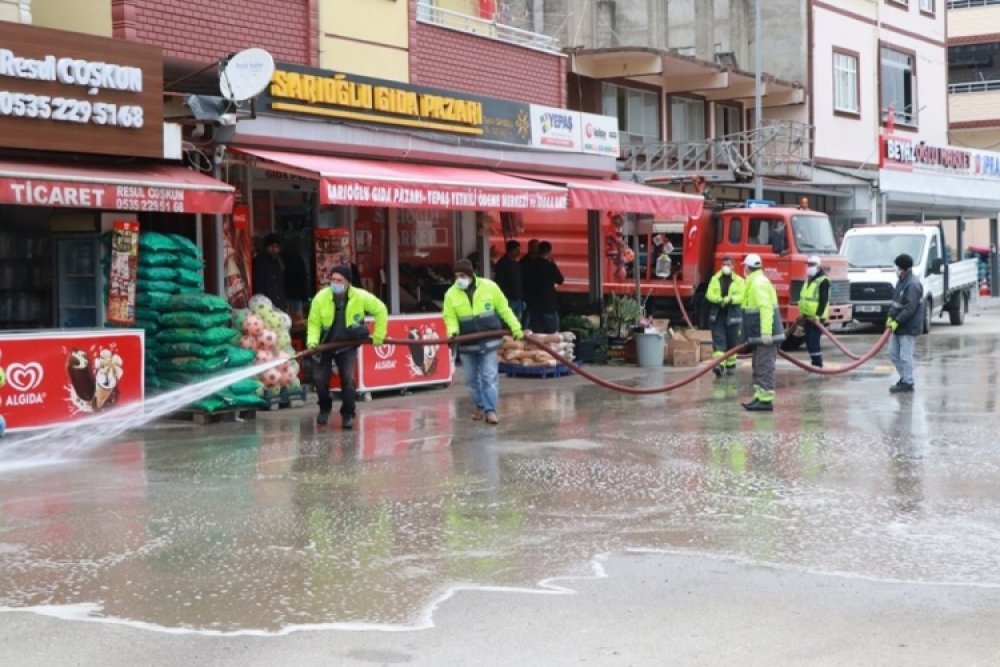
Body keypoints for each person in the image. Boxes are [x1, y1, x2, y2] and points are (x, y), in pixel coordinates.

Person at [443, 258, 524, 425]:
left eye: (463, 275)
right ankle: (480, 405)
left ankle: (490, 410)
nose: (460, 279)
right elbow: (449, 318)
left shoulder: (489, 288)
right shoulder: (451, 295)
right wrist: (452, 333)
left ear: (471, 274)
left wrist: (516, 327)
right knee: (471, 380)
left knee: (489, 376)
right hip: (467, 344)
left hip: (489, 342)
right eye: (457, 275)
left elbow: (504, 309)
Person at [306, 266, 388, 429]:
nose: (335, 283)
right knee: (320, 379)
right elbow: (314, 324)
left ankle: (348, 413)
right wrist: (312, 343)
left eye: (339, 280)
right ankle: (325, 406)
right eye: (333, 280)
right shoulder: (320, 298)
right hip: (325, 344)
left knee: (348, 380)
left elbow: (381, 309)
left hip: (347, 345)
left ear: (348, 283)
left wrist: (379, 335)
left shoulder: (360, 296)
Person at [740, 253, 784, 411]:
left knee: (764, 366)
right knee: (758, 365)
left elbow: (765, 308)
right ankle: (759, 397)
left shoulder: (758, 283)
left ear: (747, 267)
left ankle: (765, 401)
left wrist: (766, 333)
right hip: (759, 335)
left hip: (766, 336)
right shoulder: (754, 281)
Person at [886, 253, 924, 393]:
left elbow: (910, 308)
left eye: (897, 267)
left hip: (908, 326)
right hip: (898, 325)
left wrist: (897, 321)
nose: (895, 269)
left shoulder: (913, 284)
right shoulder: (901, 282)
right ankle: (904, 377)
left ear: (904, 269)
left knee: (905, 356)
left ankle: (908, 382)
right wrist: (890, 316)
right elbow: (896, 303)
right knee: (893, 354)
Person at [705, 255, 745, 377]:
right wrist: (718, 299)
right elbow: (709, 294)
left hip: (733, 315)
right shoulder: (715, 279)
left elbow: (742, 296)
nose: (725, 267)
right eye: (724, 264)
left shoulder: (739, 280)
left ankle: (731, 365)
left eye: (728, 264)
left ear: (733, 266)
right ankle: (719, 365)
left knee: (732, 341)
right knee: (719, 341)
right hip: (718, 315)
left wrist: (731, 299)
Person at [799, 254, 831, 368]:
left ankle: (818, 365)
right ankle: (814, 363)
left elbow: (823, 300)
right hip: (807, 317)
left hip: (817, 318)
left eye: (811, 265)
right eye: (808, 264)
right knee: (808, 341)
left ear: (818, 266)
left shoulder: (823, 280)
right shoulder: (809, 279)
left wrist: (817, 316)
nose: (809, 267)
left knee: (813, 341)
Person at [526, 241, 564, 334]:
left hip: (534, 303)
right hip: (548, 303)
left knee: (537, 333)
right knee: (553, 332)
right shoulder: (550, 266)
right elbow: (560, 280)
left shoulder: (531, 265)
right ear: (549, 252)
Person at [253, 233, 288, 311]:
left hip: (279, 303)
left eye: (276, 247)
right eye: (271, 246)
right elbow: (259, 284)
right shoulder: (260, 262)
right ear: (266, 247)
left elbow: (281, 284)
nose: (274, 249)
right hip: (266, 304)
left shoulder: (279, 261)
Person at [494, 240, 525, 323]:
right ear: (510, 250)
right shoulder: (503, 264)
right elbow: (499, 281)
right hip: (508, 298)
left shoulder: (516, 264)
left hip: (517, 298)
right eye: (516, 250)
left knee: (517, 322)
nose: (519, 252)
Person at [520, 239, 540, 327]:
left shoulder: (540, 261)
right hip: (528, 294)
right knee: (527, 316)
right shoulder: (524, 261)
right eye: (535, 247)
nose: (536, 249)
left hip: (538, 294)